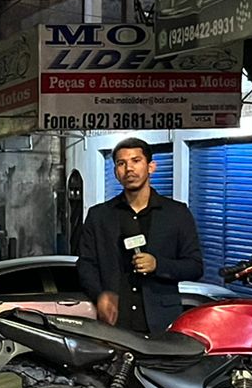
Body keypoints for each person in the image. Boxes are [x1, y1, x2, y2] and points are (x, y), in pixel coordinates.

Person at [77, 138, 204, 335]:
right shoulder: (99, 215)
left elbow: (195, 266)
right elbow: (86, 264)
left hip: (161, 325)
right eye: (121, 163)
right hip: (115, 324)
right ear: (115, 172)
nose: (129, 168)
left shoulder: (176, 213)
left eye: (136, 161)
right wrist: (100, 294)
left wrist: (158, 265)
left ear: (151, 167)